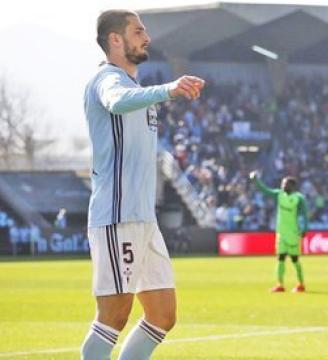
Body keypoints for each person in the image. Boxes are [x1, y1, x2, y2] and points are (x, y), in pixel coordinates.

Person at [81, 9, 205, 360]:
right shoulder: (107, 80)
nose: (146, 37)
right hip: (117, 215)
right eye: (138, 31)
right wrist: (168, 89)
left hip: (142, 218)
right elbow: (116, 102)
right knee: (113, 316)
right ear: (115, 40)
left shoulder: (135, 88)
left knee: (163, 315)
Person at [250, 171, 309, 293]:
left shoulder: (298, 198)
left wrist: (304, 228)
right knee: (280, 258)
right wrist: (256, 180)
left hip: (293, 233)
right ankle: (280, 284)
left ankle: (301, 284)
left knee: (295, 259)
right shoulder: (279, 195)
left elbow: (304, 214)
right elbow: (265, 190)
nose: (282, 186)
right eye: (282, 184)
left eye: (285, 184)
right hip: (281, 233)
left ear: (292, 186)